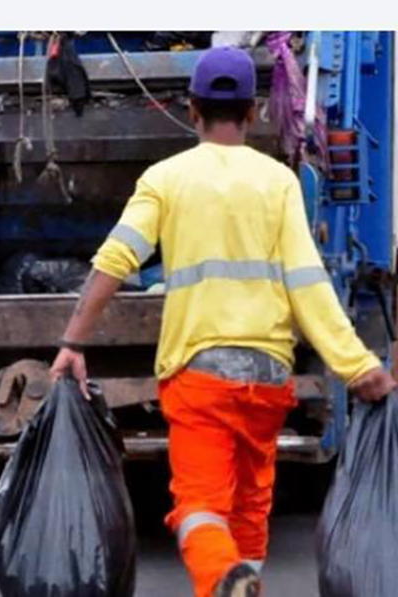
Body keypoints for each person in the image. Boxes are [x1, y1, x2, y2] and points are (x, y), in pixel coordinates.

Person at [50, 47, 396, 597]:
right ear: (254, 112)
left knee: (198, 509)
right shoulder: (278, 183)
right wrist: (357, 367)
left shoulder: (165, 179)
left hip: (199, 377)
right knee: (251, 503)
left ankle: (225, 578)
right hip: (266, 378)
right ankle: (244, 580)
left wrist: (73, 341)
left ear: (192, 111)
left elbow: (114, 259)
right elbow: (308, 283)